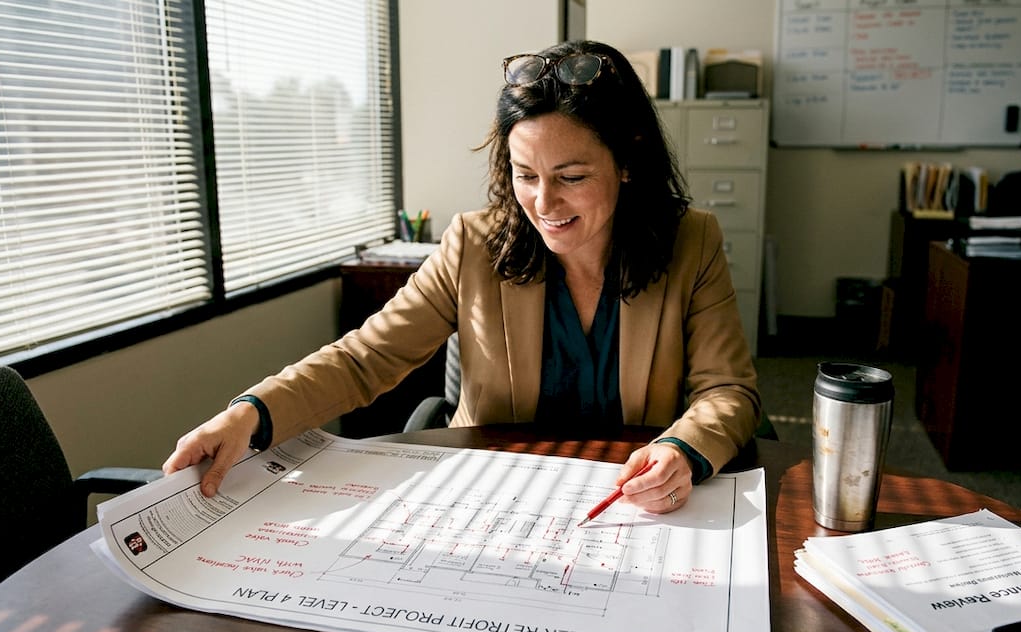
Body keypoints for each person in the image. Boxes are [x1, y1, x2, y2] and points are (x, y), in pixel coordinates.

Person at [163, 40, 762, 514]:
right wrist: (250, 412)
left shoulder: (690, 242)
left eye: (572, 176)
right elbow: (363, 359)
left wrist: (683, 449)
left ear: (628, 160)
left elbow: (727, 391)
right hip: (490, 504)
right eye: (526, 174)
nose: (544, 202)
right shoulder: (476, 243)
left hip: (629, 507)